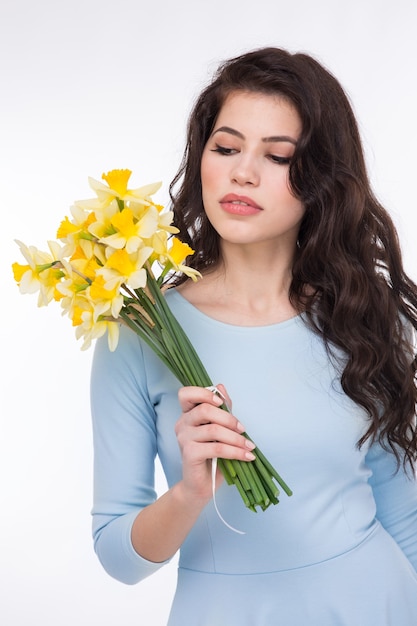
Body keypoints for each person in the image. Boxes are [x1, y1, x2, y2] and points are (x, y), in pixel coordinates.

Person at [90, 47, 417, 625]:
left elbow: (406, 517)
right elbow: (120, 557)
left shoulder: (365, 316)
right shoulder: (141, 331)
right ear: (202, 159)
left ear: (319, 179)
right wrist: (191, 491)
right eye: (226, 147)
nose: (243, 171)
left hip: (378, 603)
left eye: (278, 155)